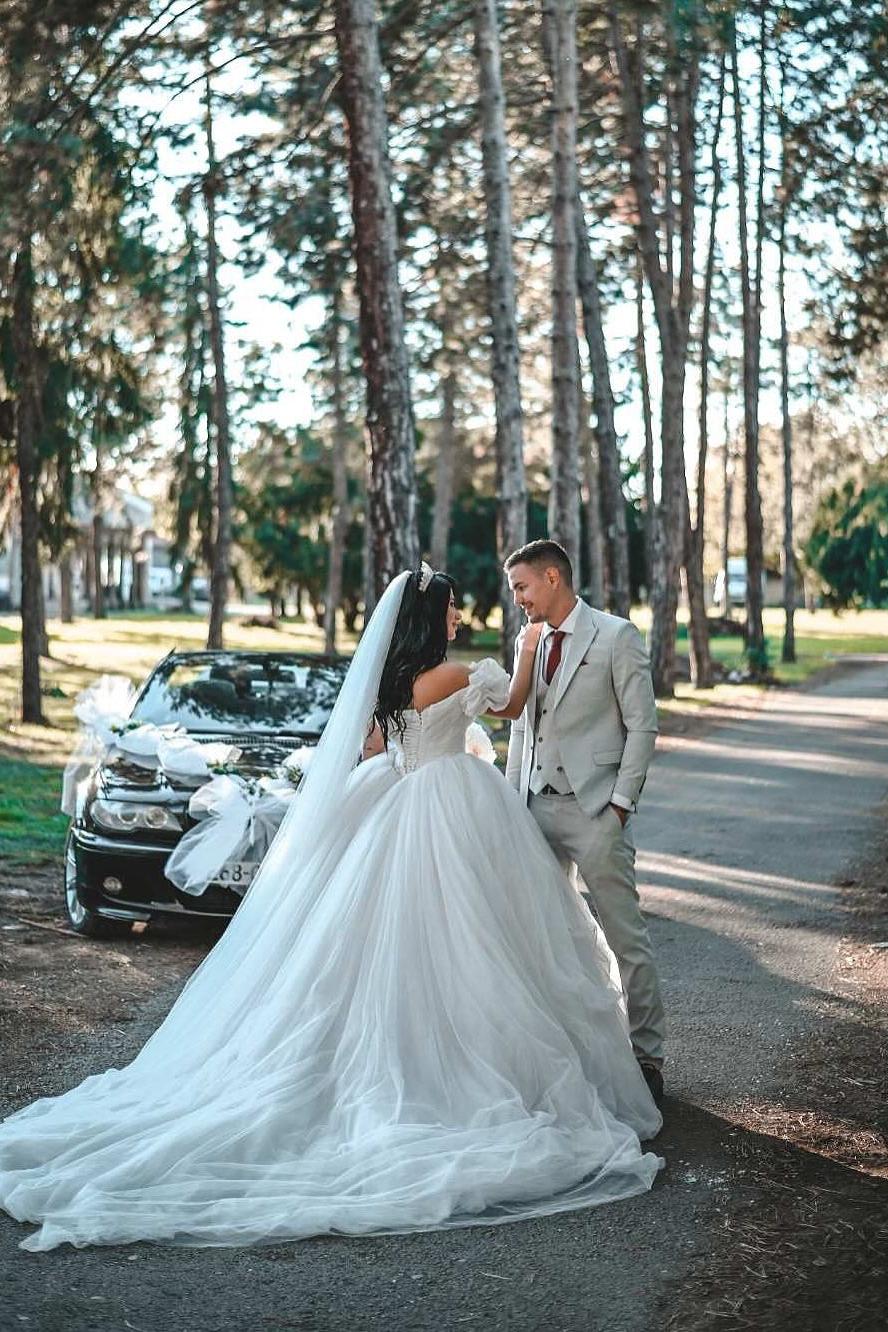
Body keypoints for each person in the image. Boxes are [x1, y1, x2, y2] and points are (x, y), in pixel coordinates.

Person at [0, 565, 662, 1254]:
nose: (460, 617)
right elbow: (512, 705)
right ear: (431, 618)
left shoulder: (389, 681)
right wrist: (524, 654)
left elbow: (379, 744)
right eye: (454, 608)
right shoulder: (455, 674)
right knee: (467, 942)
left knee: (381, 944)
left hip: (394, 799)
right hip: (447, 807)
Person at [504, 539, 666, 1103]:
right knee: (542, 936)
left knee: (627, 939)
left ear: (553, 578)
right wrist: (509, 798)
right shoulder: (527, 641)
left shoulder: (616, 636)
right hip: (535, 807)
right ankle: (563, 1054)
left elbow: (642, 726)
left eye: (522, 587)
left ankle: (646, 1058)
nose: (518, 599)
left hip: (596, 808)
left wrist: (621, 804)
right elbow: (524, 725)